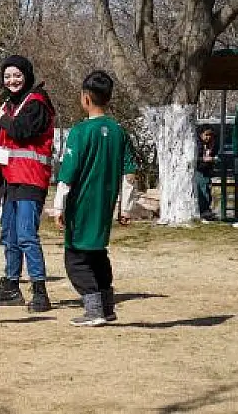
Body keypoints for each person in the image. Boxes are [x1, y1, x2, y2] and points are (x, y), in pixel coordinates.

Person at [50, 71, 137, 326]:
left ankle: (94, 309)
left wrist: (59, 207)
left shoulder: (79, 132)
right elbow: (129, 173)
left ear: (85, 98)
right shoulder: (119, 132)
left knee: (75, 258)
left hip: (81, 206)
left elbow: (67, 174)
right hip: (105, 205)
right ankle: (108, 307)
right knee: (98, 253)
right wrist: (126, 208)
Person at [0, 55, 56, 313]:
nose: (12, 80)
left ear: (27, 75)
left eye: (17, 75)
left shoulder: (37, 102)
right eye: (7, 76)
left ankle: (40, 291)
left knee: (26, 235)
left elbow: (21, 131)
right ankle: (11, 286)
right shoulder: (11, 104)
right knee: (9, 235)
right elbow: (0, 134)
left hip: (30, 179)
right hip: (10, 179)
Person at [196, 126, 219, 221]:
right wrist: (205, 159)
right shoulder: (197, 144)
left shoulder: (211, 144)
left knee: (207, 189)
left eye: (210, 135)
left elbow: (214, 156)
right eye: (206, 135)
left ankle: (206, 210)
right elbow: (196, 157)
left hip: (206, 171)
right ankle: (204, 211)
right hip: (199, 170)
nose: (208, 137)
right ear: (201, 134)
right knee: (203, 190)